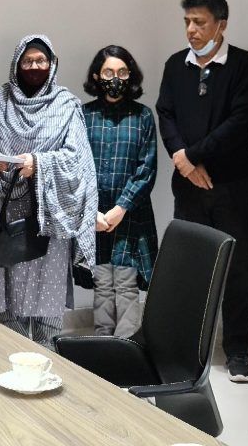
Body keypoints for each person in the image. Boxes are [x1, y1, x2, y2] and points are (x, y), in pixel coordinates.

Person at [156, 0, 248, 382]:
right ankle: (189, 346)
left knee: (237, 267)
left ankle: (238, 350)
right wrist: (182, 161)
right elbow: (165, 113)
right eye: (187, 21)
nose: (191, 29)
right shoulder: (175, 64)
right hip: (187, 184)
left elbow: (240, 121)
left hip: (231, 183)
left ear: (221, 25)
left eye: (199, 22)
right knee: (190, 264)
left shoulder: (243, 65)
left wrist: (193, 156)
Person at [0, 36, 97, 348]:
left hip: (50, 215)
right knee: (9, 291)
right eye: (27, 61)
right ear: (16, 65)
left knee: (46, 295)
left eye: (40, 61)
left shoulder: (66, 104)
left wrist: (39, 163)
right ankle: (13, 352)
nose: (34, 67)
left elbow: (76, 158)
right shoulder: (1, 100)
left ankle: (47, 354)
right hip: (7, 214)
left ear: (52, 64)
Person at [82, 45, 158, 338]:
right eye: (108, 72)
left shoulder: (142, 116)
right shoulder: (84, 115)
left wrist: (120, 207)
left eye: (122, 72)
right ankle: (103, 346)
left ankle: (126, 348)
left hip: (130, 214)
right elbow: (76, 166)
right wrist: (92, 211)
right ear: (96, 76)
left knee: (126, 283)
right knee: (102, 281)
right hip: (95, 213)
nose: (116, 78)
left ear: (131, 75)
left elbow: (146, 169)